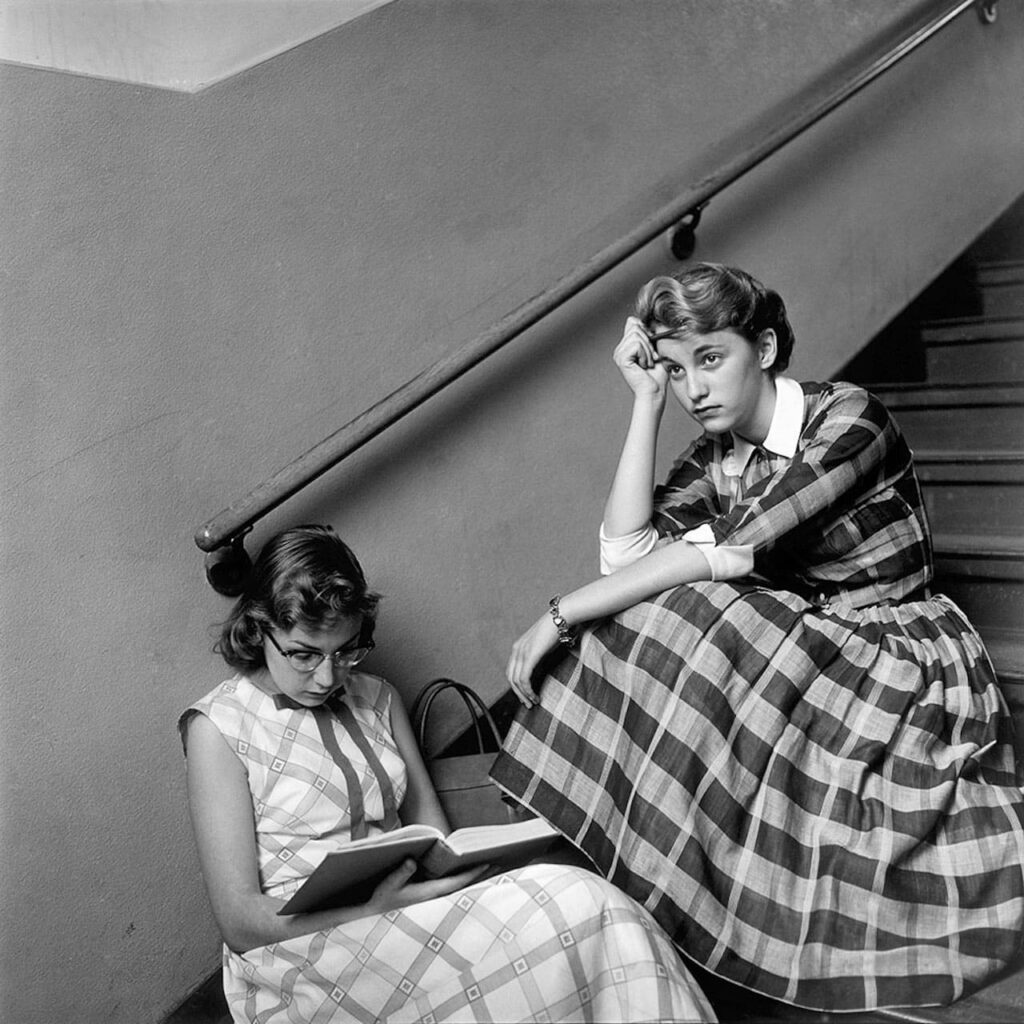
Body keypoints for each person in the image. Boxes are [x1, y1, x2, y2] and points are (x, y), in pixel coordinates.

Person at [490, 263, 1024, 1013]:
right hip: (813, 650)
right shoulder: (715, 460)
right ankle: (631, 884)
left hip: (905, 654)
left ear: (765, 347)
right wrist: (643, 405)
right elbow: (626, 559)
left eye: (710, 360)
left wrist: (558, 614)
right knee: (651, 609)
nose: (694, 388)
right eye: (675, 371)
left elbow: (733, 550)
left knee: (690, 609)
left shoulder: (847, 418)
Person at [179, 524, 715, 1024]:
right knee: (560, 929)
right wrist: (371, 909)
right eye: (303, 654)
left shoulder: (377, 696)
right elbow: (241, 921)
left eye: (345, 652)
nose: (327, 675)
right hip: (301, 953)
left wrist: (483, 859)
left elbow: (434, 839)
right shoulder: (219, 726)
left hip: (409, 907)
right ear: (259, 628)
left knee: (590, 899)